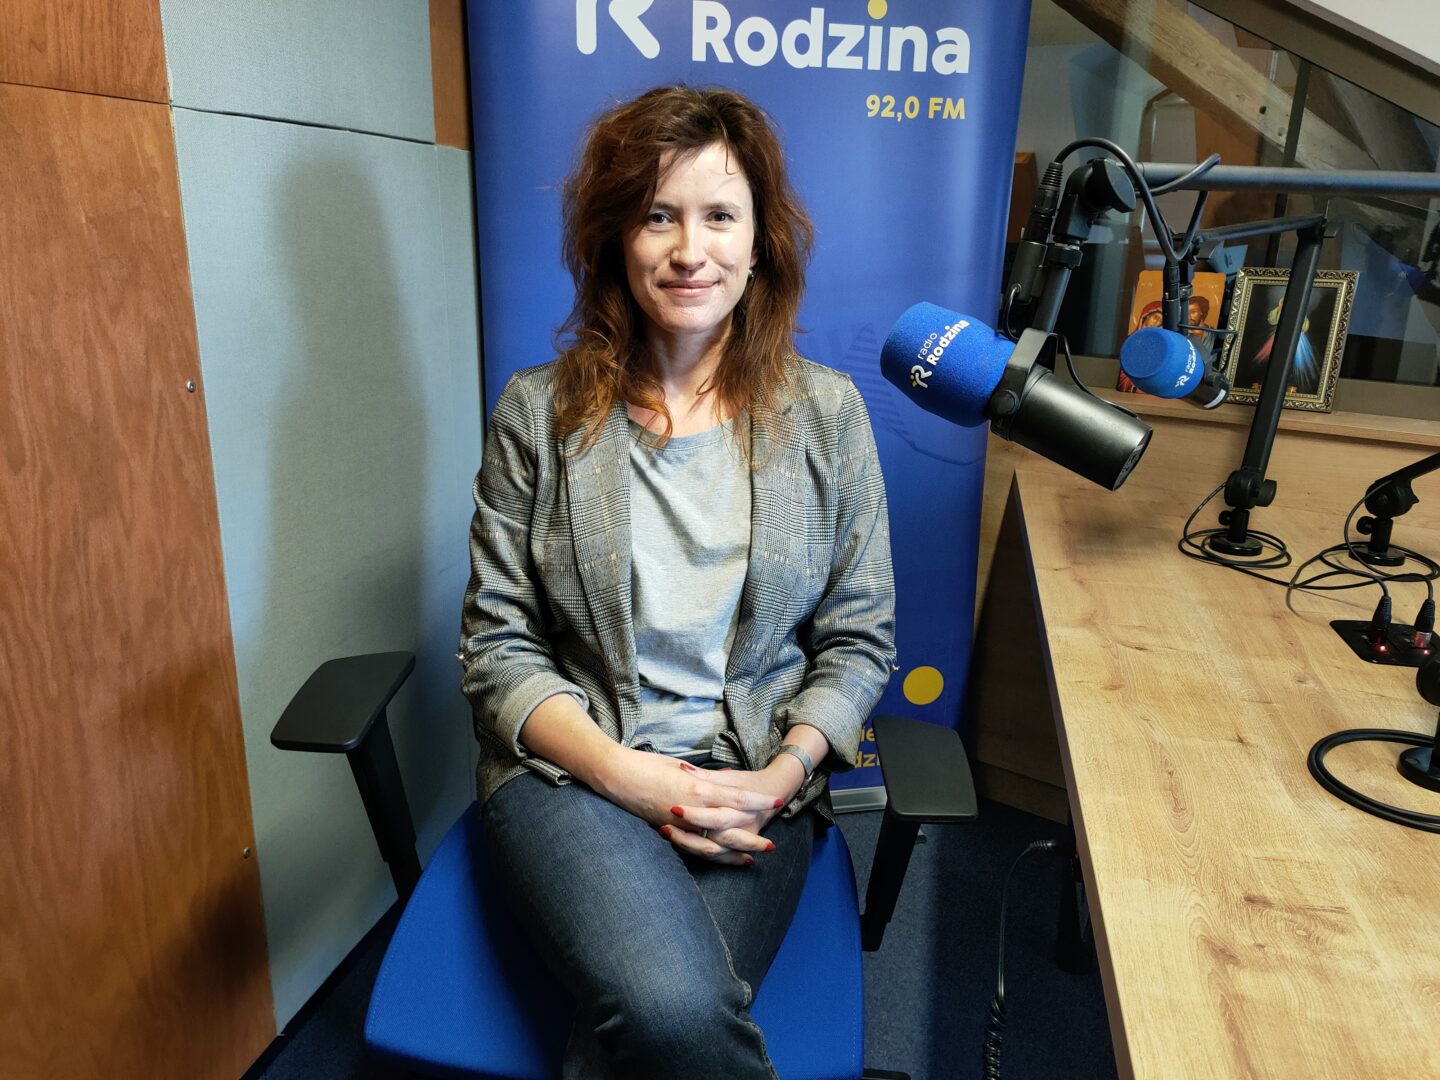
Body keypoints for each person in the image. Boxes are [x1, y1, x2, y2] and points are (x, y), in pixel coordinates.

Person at [459, 84, 896, 1080]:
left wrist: (783, 775)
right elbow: (497, 649)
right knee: (671, 1008)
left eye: (719, 216)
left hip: (749, 783)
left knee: (642, 1036)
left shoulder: (828, 416)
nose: (690, 249)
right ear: (617, 237)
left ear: (760, 243)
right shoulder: (537, 414)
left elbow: (859, 639)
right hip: (576, 776)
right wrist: (631, 777)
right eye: (659, 215)